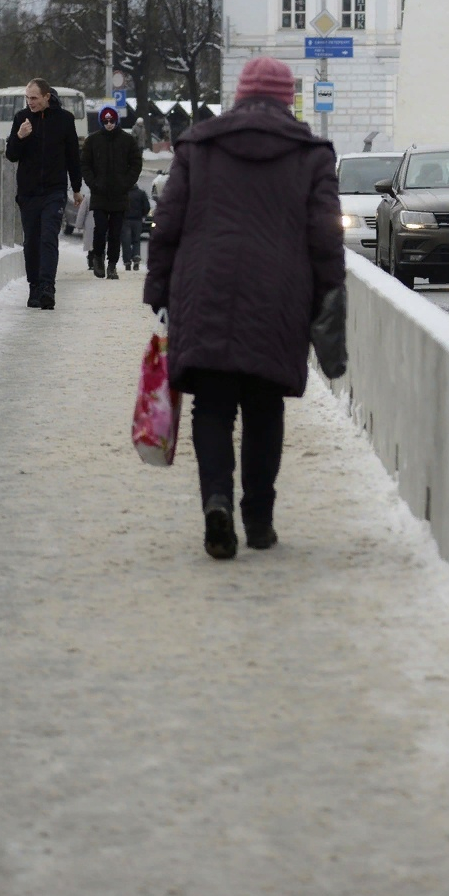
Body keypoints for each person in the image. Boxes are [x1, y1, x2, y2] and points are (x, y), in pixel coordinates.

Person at [142, 55, 343, 560]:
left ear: (239, 94)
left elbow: (167, 223)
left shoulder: (198, 145)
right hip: (279, 294)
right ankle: (258, 520)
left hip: (204, 287)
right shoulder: (311, 153)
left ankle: (217, 503)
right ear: (286, 98)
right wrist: (326, 296)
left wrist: (159, 290)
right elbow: (324, 237)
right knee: (263, 407)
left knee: (211, 406)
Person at [5, 78, 83, 309]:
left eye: (34, 98)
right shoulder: (21, 119)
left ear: (47, 96)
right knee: (32, 242)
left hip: (54, 190)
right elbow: (11, 155)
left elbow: (72, 156)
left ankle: (48, 287)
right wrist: (19, 136)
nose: (30, 102)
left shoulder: (65, 120)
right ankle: (34, 288)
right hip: (28, 192)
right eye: (27, 98)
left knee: (49, 237)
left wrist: (76, 188)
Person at [82, 106, 143, 279]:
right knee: (100, 229)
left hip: (119, 194)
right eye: (106, 121)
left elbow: (136, 163)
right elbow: (85, 164)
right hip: (100, 194)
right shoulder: (93, 141)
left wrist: (126, 183)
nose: (109, 124)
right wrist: (93, 183)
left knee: (116, 232)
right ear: (102, 122)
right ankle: (98, 258)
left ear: (117, 121)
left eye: (112, 121)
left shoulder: (127, 140)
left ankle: (112, 265)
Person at [121, 181, 152, 270]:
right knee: (136, 240)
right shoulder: (141, 193)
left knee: (126, 241)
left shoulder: (123, 194)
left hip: (125, 220)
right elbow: (147, 207)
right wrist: (142, 214)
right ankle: (136, 257)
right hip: (137, 220)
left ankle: (127, 261)